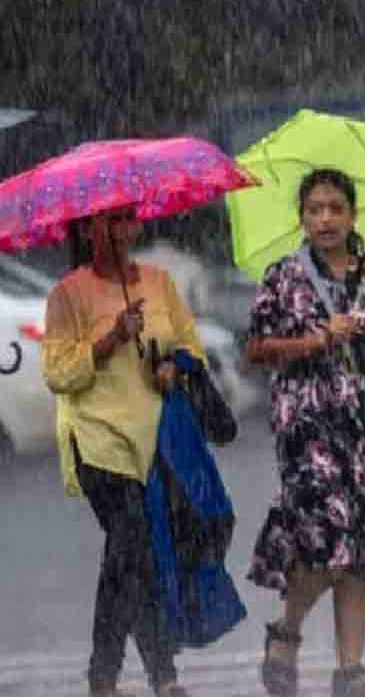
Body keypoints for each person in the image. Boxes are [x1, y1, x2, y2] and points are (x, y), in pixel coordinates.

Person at [245, 169, 365, 697]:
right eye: (315, 210)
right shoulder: (283, 276)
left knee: (363, 542)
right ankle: (286, 632)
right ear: (302, 218)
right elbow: (256, 349)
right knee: (323, 535)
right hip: (306, 420)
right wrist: (317, 338)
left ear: (352, 215)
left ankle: (350, 670)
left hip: (361, 422)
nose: (325, 219)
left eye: (335, 208)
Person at [43, 206, 200, 697]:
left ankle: (107, 678)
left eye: (125, 219)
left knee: (131, 560)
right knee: (134, 546)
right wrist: (111, 338)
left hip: (153, 443)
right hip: (97, 443)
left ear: (137, 225)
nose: (116, 230)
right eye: (104, 221)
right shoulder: (67, 294)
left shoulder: (158, 282)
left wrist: (174, 369)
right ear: (86, 229)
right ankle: (158, 676)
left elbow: (193, 350)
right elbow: (59, 375)